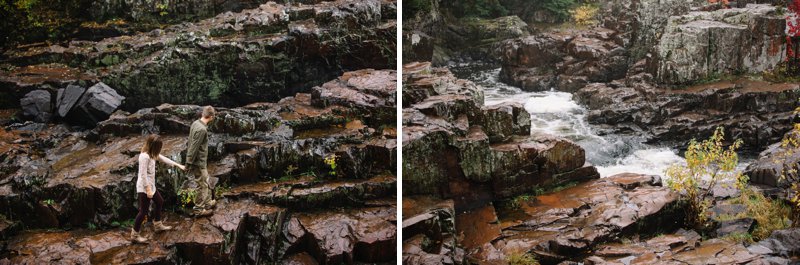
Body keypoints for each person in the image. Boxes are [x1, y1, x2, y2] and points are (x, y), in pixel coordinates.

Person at [132, 134, 186, 243]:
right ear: (153, 146)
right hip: (144, 187)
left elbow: (163, 158)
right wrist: (148, 190)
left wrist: (178, 165)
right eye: (159, 147)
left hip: (151, 186)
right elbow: (142, 175)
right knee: (143, 212)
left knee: (160, 202)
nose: (159, 150)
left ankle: (157, 225)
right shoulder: (144, 156)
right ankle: (135, 235)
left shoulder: (152, 154)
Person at [185, 106, 216, 217]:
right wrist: (188, 163)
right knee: (201, 185)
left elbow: (190, 141)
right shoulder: (202, 129)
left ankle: (207, 203)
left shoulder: (195, 123)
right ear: (211, 117)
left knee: (205, 181)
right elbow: (194, 147)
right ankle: (198, 209)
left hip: (201, 161)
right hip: (198, 162)